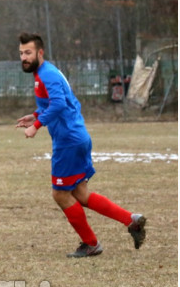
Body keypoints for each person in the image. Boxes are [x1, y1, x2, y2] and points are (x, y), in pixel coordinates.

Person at [15, 31, 147, 258]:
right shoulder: (45, 73)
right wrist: (35, 114)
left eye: (28, 52)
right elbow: (56, 102)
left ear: (40, 52)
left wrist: (37, 125)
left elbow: (58, 104)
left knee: (60, 194)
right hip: (77, 137)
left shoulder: (47, 75)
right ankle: (131, 220)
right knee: (80, 194)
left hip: (68, 142)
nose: (24, 57)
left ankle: (91, 243)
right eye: (21, 53)